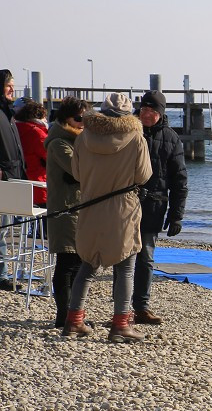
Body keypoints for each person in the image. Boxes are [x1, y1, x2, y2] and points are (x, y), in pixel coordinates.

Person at [63, 92, 151, 342]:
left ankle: (74, 321)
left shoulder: (84, 137)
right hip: (122, 208)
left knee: (87, 265)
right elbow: (144, 175)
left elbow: (77, 173)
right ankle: (121, 325)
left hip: (91, 205)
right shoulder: (136, 138)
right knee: (125, 267)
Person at [131, 90, 187, 324]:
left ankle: (141, 308)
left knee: (145, 258)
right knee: (122, 259)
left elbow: (180, 180)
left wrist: (176, 216)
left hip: (154, 206)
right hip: (126, 203)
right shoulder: (129, 132)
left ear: (161, 113)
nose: (146, 114)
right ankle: (121, 310)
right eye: (143, 110)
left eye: (152, 111)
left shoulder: (171, 138)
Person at [44, 97, 88, 328]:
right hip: (65, 210)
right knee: (68, 262)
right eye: (79, 119)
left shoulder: (75, 140)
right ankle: (65, 315)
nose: (83, 123)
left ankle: (72, 314)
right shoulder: (59, 143)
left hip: (77, 209)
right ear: (66, 118)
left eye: (85, 119)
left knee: (78, 263)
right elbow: (78, 170)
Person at [0, 69, 27, 292]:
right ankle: (2, 274)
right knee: (1, 230)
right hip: (4, 179)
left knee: (6, 229)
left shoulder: (8, 114)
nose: (12, 88)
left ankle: (3, 272)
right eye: (8, 84)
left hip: (13, 178)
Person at [14, 98, 49, 206]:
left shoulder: (16, 128)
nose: (46, 120)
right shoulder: (37, 133)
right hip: (38, 185)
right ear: (38, 116)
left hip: (21, 184)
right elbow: (51, 156)